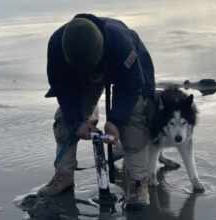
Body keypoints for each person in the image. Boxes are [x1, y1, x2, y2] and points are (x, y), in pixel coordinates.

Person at [38, 13, 155, 209]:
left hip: (127, 72)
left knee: (134, 118)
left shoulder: (121, 43)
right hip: (81, 77)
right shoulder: (57, 45)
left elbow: (132, 86)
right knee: (65, 120)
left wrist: (115, 121)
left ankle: (137, 182)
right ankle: (64, 175)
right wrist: (77, 121)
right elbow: (62, 86)